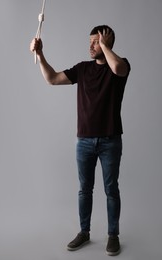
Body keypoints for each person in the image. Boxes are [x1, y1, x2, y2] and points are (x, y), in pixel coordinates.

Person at [30, 25, 131, 256]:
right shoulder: (83, 69)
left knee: (111, 190)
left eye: (96, 41)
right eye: (90, 41)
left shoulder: (121, 65)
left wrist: (105, 46)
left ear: (107, 42)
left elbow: (116, 66)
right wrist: (40, 54)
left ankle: (113, 235)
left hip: (110, 140)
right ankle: (84, 232)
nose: (91, 46)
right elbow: (52, 79)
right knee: (84, 190)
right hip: (84, 141)